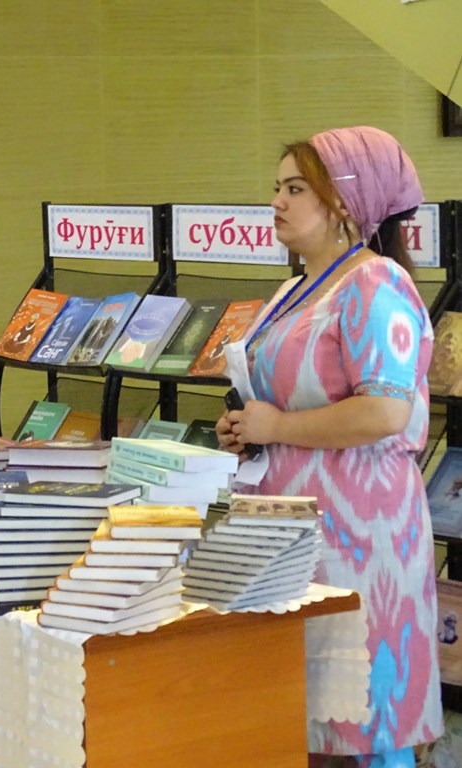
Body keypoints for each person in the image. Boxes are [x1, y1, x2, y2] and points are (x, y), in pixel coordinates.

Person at [215, 126, 442, 767]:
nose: (277, 203)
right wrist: (244, 430)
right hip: (292, 535)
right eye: (276, 188)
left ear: (345, 201)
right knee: (299, 719)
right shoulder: (294, 290)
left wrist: (276, 428)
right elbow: (277, 403)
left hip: (361, 539)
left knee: (359, 722)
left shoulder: (378, 285)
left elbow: (384, 411)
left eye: (295, 189)